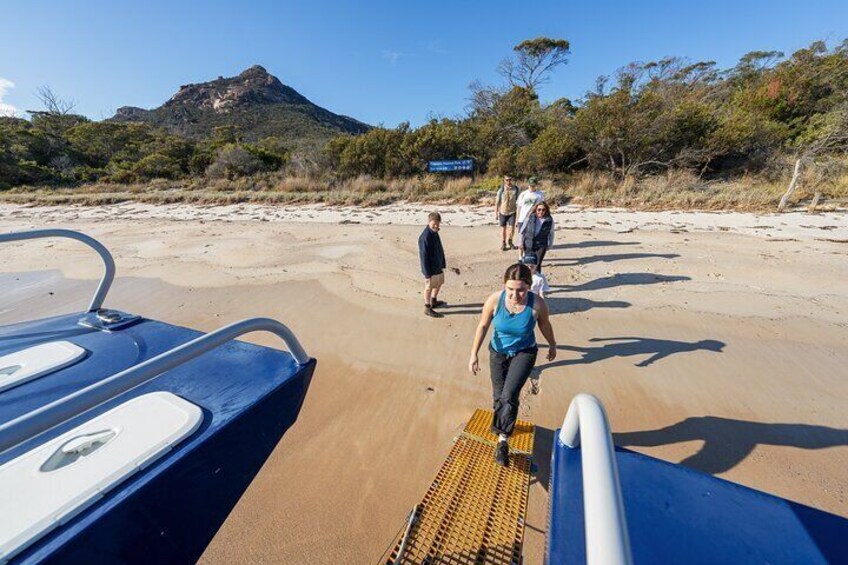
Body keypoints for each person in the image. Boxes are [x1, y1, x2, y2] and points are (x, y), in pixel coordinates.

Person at [468, 263, 557, 466]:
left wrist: (552, 344)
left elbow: (545, 325)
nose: (515, 295)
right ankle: (503, 421)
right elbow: (483, 325)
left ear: (529, 286)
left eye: (521, 290)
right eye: (510, 289)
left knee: (509, 395)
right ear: (504, 286)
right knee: (498, 395)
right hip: (498, 352)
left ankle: (502, 439)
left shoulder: (537, 305)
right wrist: (473, 354)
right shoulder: (495, 300)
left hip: (524, 352)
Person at [418, 211, 447, 318]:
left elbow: (440, 249)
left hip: (438, 265)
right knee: (428, 287)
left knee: (439, 283)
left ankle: (433, 300)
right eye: (434, 223)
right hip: (430, 269)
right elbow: (423, 256)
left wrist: (443, 263)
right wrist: (427, 274)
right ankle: (427, 307)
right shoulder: (425, 237)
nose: (436, 226)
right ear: (429, 222)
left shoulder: (435, 232)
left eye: (438, 223)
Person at [519, 201, 554, 273]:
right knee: (529, 264)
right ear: (536, 210)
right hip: (528, 243)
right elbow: (523, 230)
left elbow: (551, 233)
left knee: (537, 264)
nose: (541, 211)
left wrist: (550, 245)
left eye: (543, 210)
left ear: (546, 210)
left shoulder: (549, 220)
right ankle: (528, 281)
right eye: (539, 209)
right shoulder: (529, 217)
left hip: (541, 245)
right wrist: (520, 242)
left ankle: (538, 281)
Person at [495, 175, 519, 251]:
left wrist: (519, 213)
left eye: (510, 180)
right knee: (503, 229)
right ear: (504, 180)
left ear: (512, 180)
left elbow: (519, 202)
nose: (508, 181)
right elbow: (497, 203)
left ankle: (510, 241)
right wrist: (496, 213)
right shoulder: (501, 190)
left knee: (512, 229)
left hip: (512, 211)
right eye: (507, 180)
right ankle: (503, 243)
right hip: (503, 212)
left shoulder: (516, 189)